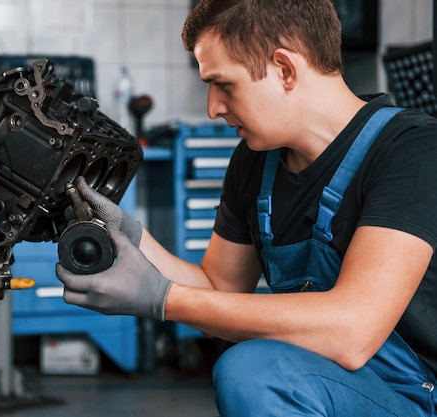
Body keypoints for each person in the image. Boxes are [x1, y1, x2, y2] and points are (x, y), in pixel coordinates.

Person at [56, 0, 437, 415]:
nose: (213, 107)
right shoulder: (256, 160)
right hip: (331, 383)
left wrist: (160, 299)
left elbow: (352, 330)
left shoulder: (413, 151)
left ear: (285, 69)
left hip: (416, 397)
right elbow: (219, 290)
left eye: (224, 84)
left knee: (255, 372)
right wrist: (128, 233)